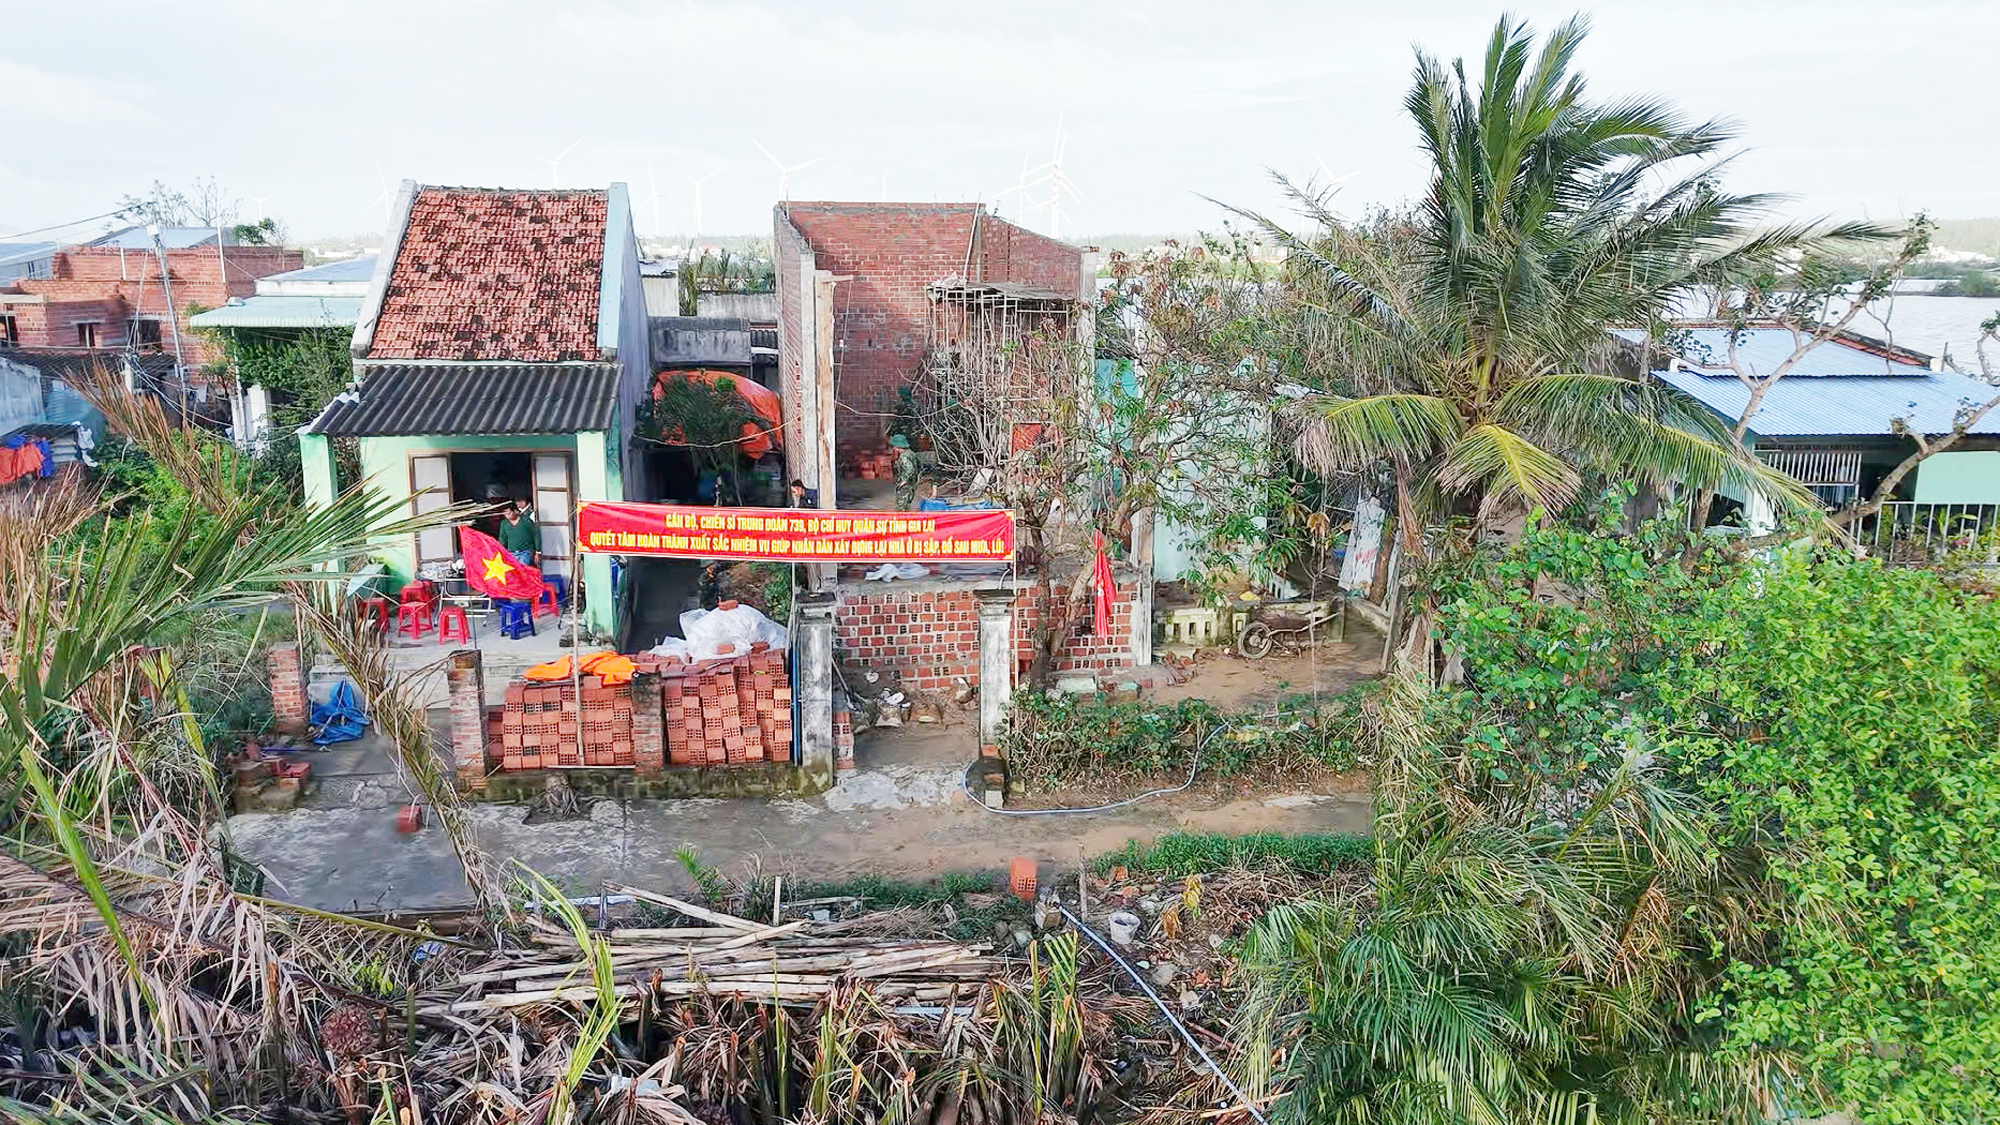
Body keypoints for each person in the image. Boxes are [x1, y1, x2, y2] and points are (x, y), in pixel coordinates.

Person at [497, 499, 539, 569]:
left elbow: (536, 535)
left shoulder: (526, 521)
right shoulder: (504, 523)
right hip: (511, 552)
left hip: (526, 552)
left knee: (522, 569)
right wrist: (499, 551)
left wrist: (538, 552)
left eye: (509, 513)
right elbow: (503, 539)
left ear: (515, 511)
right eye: (504, 513)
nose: (507, 515)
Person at [890, 433, 921, 510]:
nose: (893, 448)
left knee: (901, 508)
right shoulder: (910, 452)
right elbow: (918, 464)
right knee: (906, 506)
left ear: (898, 446)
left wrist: (904, 480)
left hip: (905, 486)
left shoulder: (904, 456)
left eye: (894, 446)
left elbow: (909, 469)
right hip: (912, 484)